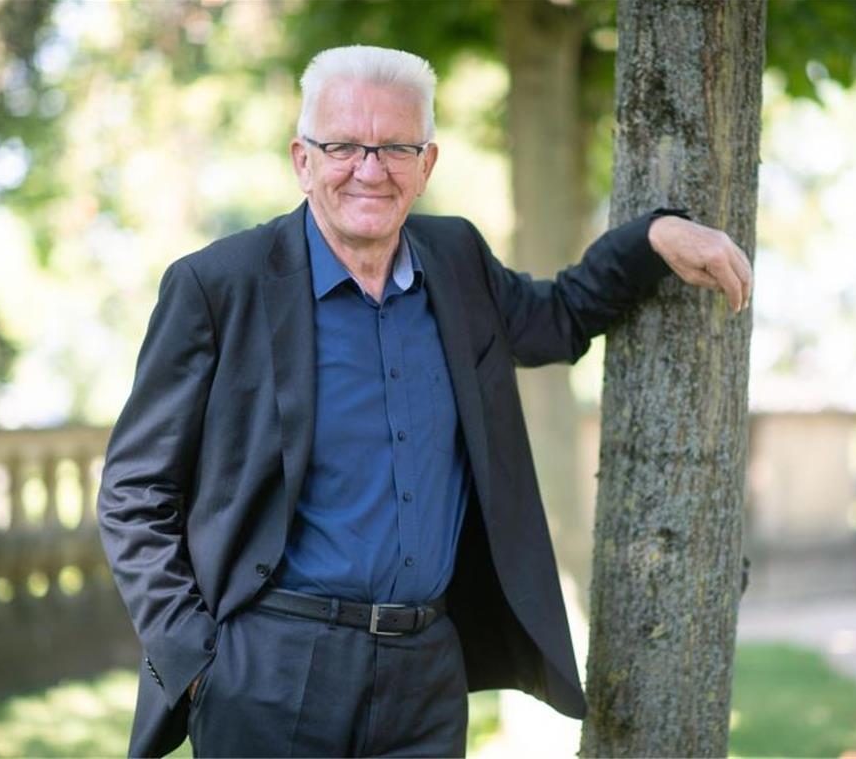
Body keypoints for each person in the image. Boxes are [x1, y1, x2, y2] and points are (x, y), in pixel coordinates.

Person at [97, 44, 751, 759]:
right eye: (344, 145)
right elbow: (134, 491)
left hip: (426, 676)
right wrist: (194, 664)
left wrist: (653, 238)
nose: (369, 170)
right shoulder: (217, 286)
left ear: (427, 163)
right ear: (302, 159)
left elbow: (558, 317)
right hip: (269, 672)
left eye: (395, 147)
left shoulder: (456, 259)